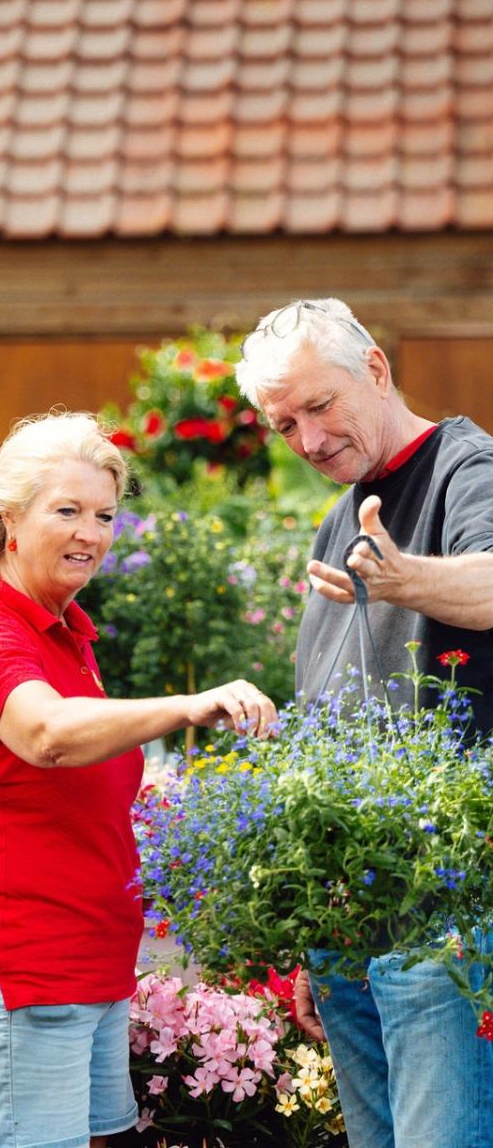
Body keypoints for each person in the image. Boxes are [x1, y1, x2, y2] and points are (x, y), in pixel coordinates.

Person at [0, 411, 276, 1148]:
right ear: (8, 519)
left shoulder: (64, 635)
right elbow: (44, 735)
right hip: (29, 975)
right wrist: (186, 705)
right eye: (67, 511)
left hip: (92, 967)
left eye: (105, 514)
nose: (92, 532)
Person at [236, 297, 493, 1148]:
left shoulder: (469, 467)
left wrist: (404, 578)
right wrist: (316, 934)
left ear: (375, 370)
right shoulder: (344, 510)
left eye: (320, 406)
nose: (308, 440)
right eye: (284, 425)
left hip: (445, 909)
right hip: (355, 918)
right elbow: (331, 715)